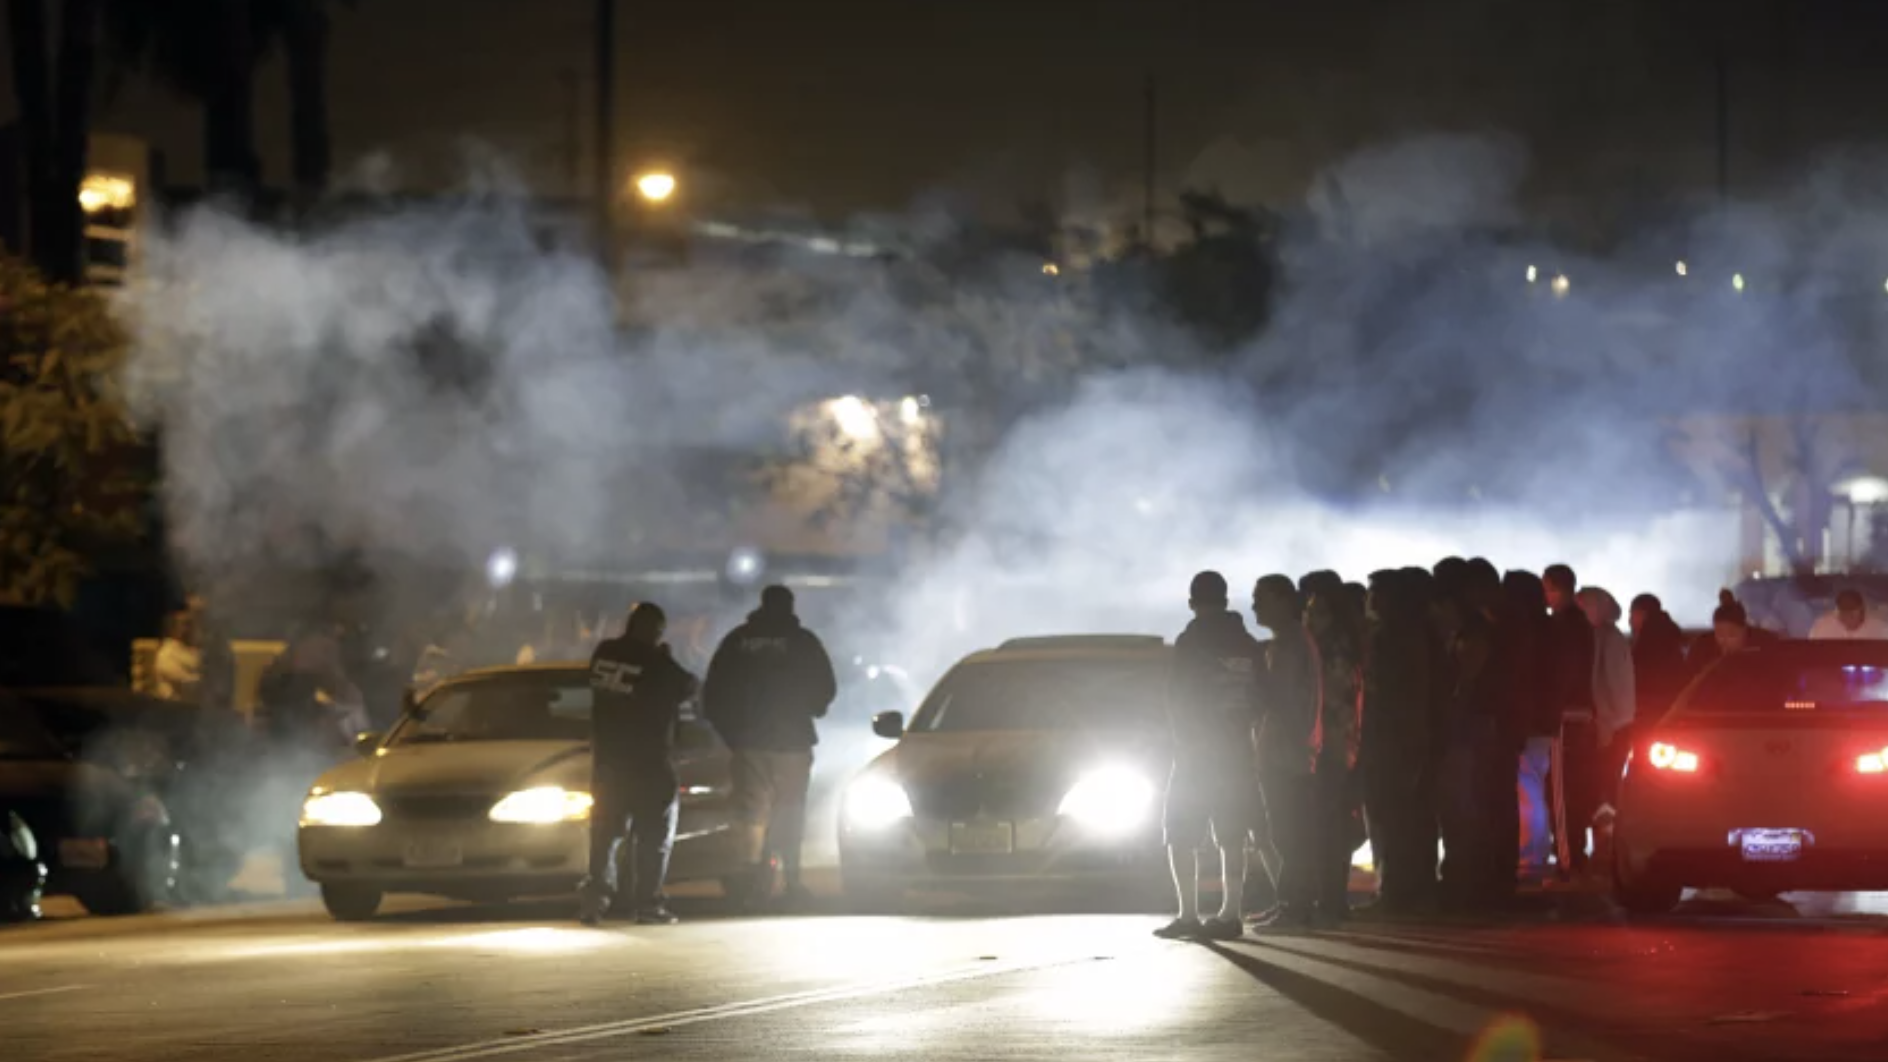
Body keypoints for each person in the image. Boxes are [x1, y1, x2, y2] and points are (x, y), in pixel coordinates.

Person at [702, 585, 838, 909]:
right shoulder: (803, 642)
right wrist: (813, 709)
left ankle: (749, 882)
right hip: (792, 743)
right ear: (790, 607)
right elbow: (826, 687)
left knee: (750, 814)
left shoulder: (737, 642)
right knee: (790, 812)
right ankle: (791, 882)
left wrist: (732, 735)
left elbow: (714, 692)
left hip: (749, 744)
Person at [1155, 571, 1265, 941]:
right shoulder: (1249, 645)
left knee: (1181, 831)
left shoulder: (1191, 642)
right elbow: (1262, 697)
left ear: (1192, 603)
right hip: (1236, 752)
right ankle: (1230, 913)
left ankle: (1188, 914)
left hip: (1196, 754)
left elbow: (1176, 699)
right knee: (1232, 833)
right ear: (1226, 599)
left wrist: (1184, 739)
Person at [581, 602, 699, 926]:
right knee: (653, 836)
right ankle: (648, 904)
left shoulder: (605, 652)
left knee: (605, 833)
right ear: (656, 631)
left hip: (608, 762)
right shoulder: (657, 663)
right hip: (650, 764)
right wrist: (665, 657)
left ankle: (594, 901)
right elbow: (689, 687)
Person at [1251, 574, 1332, 929]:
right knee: (1291, 830)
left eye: (1261, 599)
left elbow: (1280, 700)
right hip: (1297, 750)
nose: (1255, 606)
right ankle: (1292, 902)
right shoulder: (1301, 640)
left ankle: (1295, 906)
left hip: (1286, 753)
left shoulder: (1288, 645)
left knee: (1288, 832)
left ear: (1284, 601)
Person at [1359, 570, 1437, 916]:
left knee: (1391, 820)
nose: (1369, 598)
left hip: (1391, 743)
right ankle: (1413, 891)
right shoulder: (1420, 636)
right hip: (1407, 742)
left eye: (1375, 592)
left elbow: (1391, 696)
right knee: (1412, 821)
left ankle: (1393, 893)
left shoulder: (1390, 638)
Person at [1305, 576, 1366, 925]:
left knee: (1327, 826)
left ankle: (1329, 900)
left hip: (1329, 748)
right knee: (1333, 825)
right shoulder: (1342, 645)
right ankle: (1330, 899)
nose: (1308, 616)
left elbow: (1335, 702)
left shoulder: (1331, 650)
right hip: (1338, 746)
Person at [1542, 563, 1596, 875]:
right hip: (1578, 715)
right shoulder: (1579, 624)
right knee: (1573, 789)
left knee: (1562, 792)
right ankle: (1572, 851)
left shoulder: (1563, 626)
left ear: (1556, 589)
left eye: (1546, 588)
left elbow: (1562, 673)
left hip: (1565, 718)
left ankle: (1568, 858)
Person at [1576, 588, 1636, 835]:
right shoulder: (1599, 636)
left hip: (1611, 726)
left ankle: (1607, 848)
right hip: (1607, 724)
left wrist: (1607, 725)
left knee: (1606, 788)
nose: (1580, 610)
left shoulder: (1608, 639)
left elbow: (1616, 686)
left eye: (1585, 605)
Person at [1628, 594, 1689, 722]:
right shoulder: (1669, 635)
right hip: (1670, 707)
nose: (1629, 620)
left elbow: (1639, 675)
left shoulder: (1648, 642)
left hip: (1649, 709)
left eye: (1632, 614)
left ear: (1643, 614)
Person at [1687, 590, 1778, 675]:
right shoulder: (1701, 647)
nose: (1725, 641)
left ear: (1744, 630)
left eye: (1732, 635)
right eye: (1719, 634)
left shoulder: (1764, 643)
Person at [153, 610, 203, 703]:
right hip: (175, 711)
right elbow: (187, 684)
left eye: (192, 624)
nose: (191, 628)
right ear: (173, 628)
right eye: (186, 624)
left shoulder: (192, 650)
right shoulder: (166, 654)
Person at [1809, 589, 1888, 641]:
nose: (1847, 619)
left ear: (1862, 610)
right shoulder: (1821, 627)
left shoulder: (1881, 629)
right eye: (1843, 614)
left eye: (1852, 615)